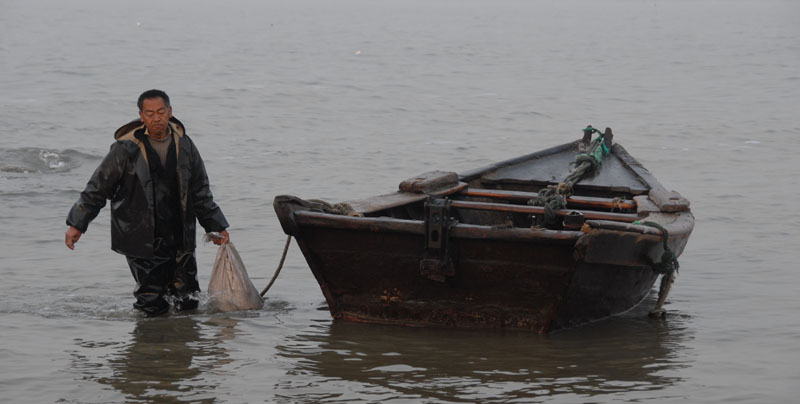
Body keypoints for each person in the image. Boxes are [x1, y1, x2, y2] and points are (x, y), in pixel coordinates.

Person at [65, 89, 230, 316]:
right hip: (141, 236)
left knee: (188, 299)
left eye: (161, 112)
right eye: (150, 113)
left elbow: (200, 191)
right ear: (141, 116)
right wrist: (77, 224)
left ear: (170, 112)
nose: (156, 118)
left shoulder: (186, 145)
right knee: (150, 301)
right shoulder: (125, 149)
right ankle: (148, 347)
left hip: (180, 234)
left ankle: (184, 345)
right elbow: (97, 188)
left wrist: (216, 225)